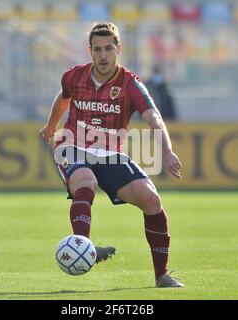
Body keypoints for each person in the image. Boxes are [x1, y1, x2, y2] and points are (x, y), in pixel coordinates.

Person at [39, 23, 183, 288]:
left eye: (108, 49)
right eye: (97, 49)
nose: (103, 55)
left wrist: (167, 150)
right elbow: (63, 97)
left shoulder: (131, 84)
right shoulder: (74, 76)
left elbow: (154, 117)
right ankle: (84, 245)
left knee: (152, 201)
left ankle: (161, 275)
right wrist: (51, 126)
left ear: (118, 49)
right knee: (86, 180)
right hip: (71, 145)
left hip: (110, 153)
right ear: (90, 51)